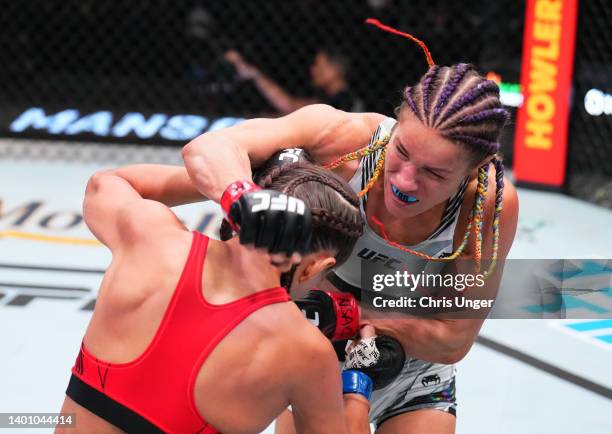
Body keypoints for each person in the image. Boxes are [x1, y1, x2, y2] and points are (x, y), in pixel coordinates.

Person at [182, 21, 519, 434]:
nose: (404, 181)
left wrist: (340, 311)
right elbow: (209, 147)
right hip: (314, 355)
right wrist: (246, 200)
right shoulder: (341, 140)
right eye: (402, 152)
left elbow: (453, 338)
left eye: (433, 172)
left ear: (474, 171)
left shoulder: (484, 205)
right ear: (395, 124)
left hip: (412, 372)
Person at [55, 162, 405, 434]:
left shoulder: (153, 239)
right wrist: (359, 381)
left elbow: (105, 183)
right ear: (316, 266)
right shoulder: (303, 351)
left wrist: (237, 186)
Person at [225, 47, 364, 114]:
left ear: (333, 70)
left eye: (317, 65)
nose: (313, 70)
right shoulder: (333, 99)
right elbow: (290, 104)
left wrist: (255, 75)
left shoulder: (344, 102)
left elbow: (289, 106)